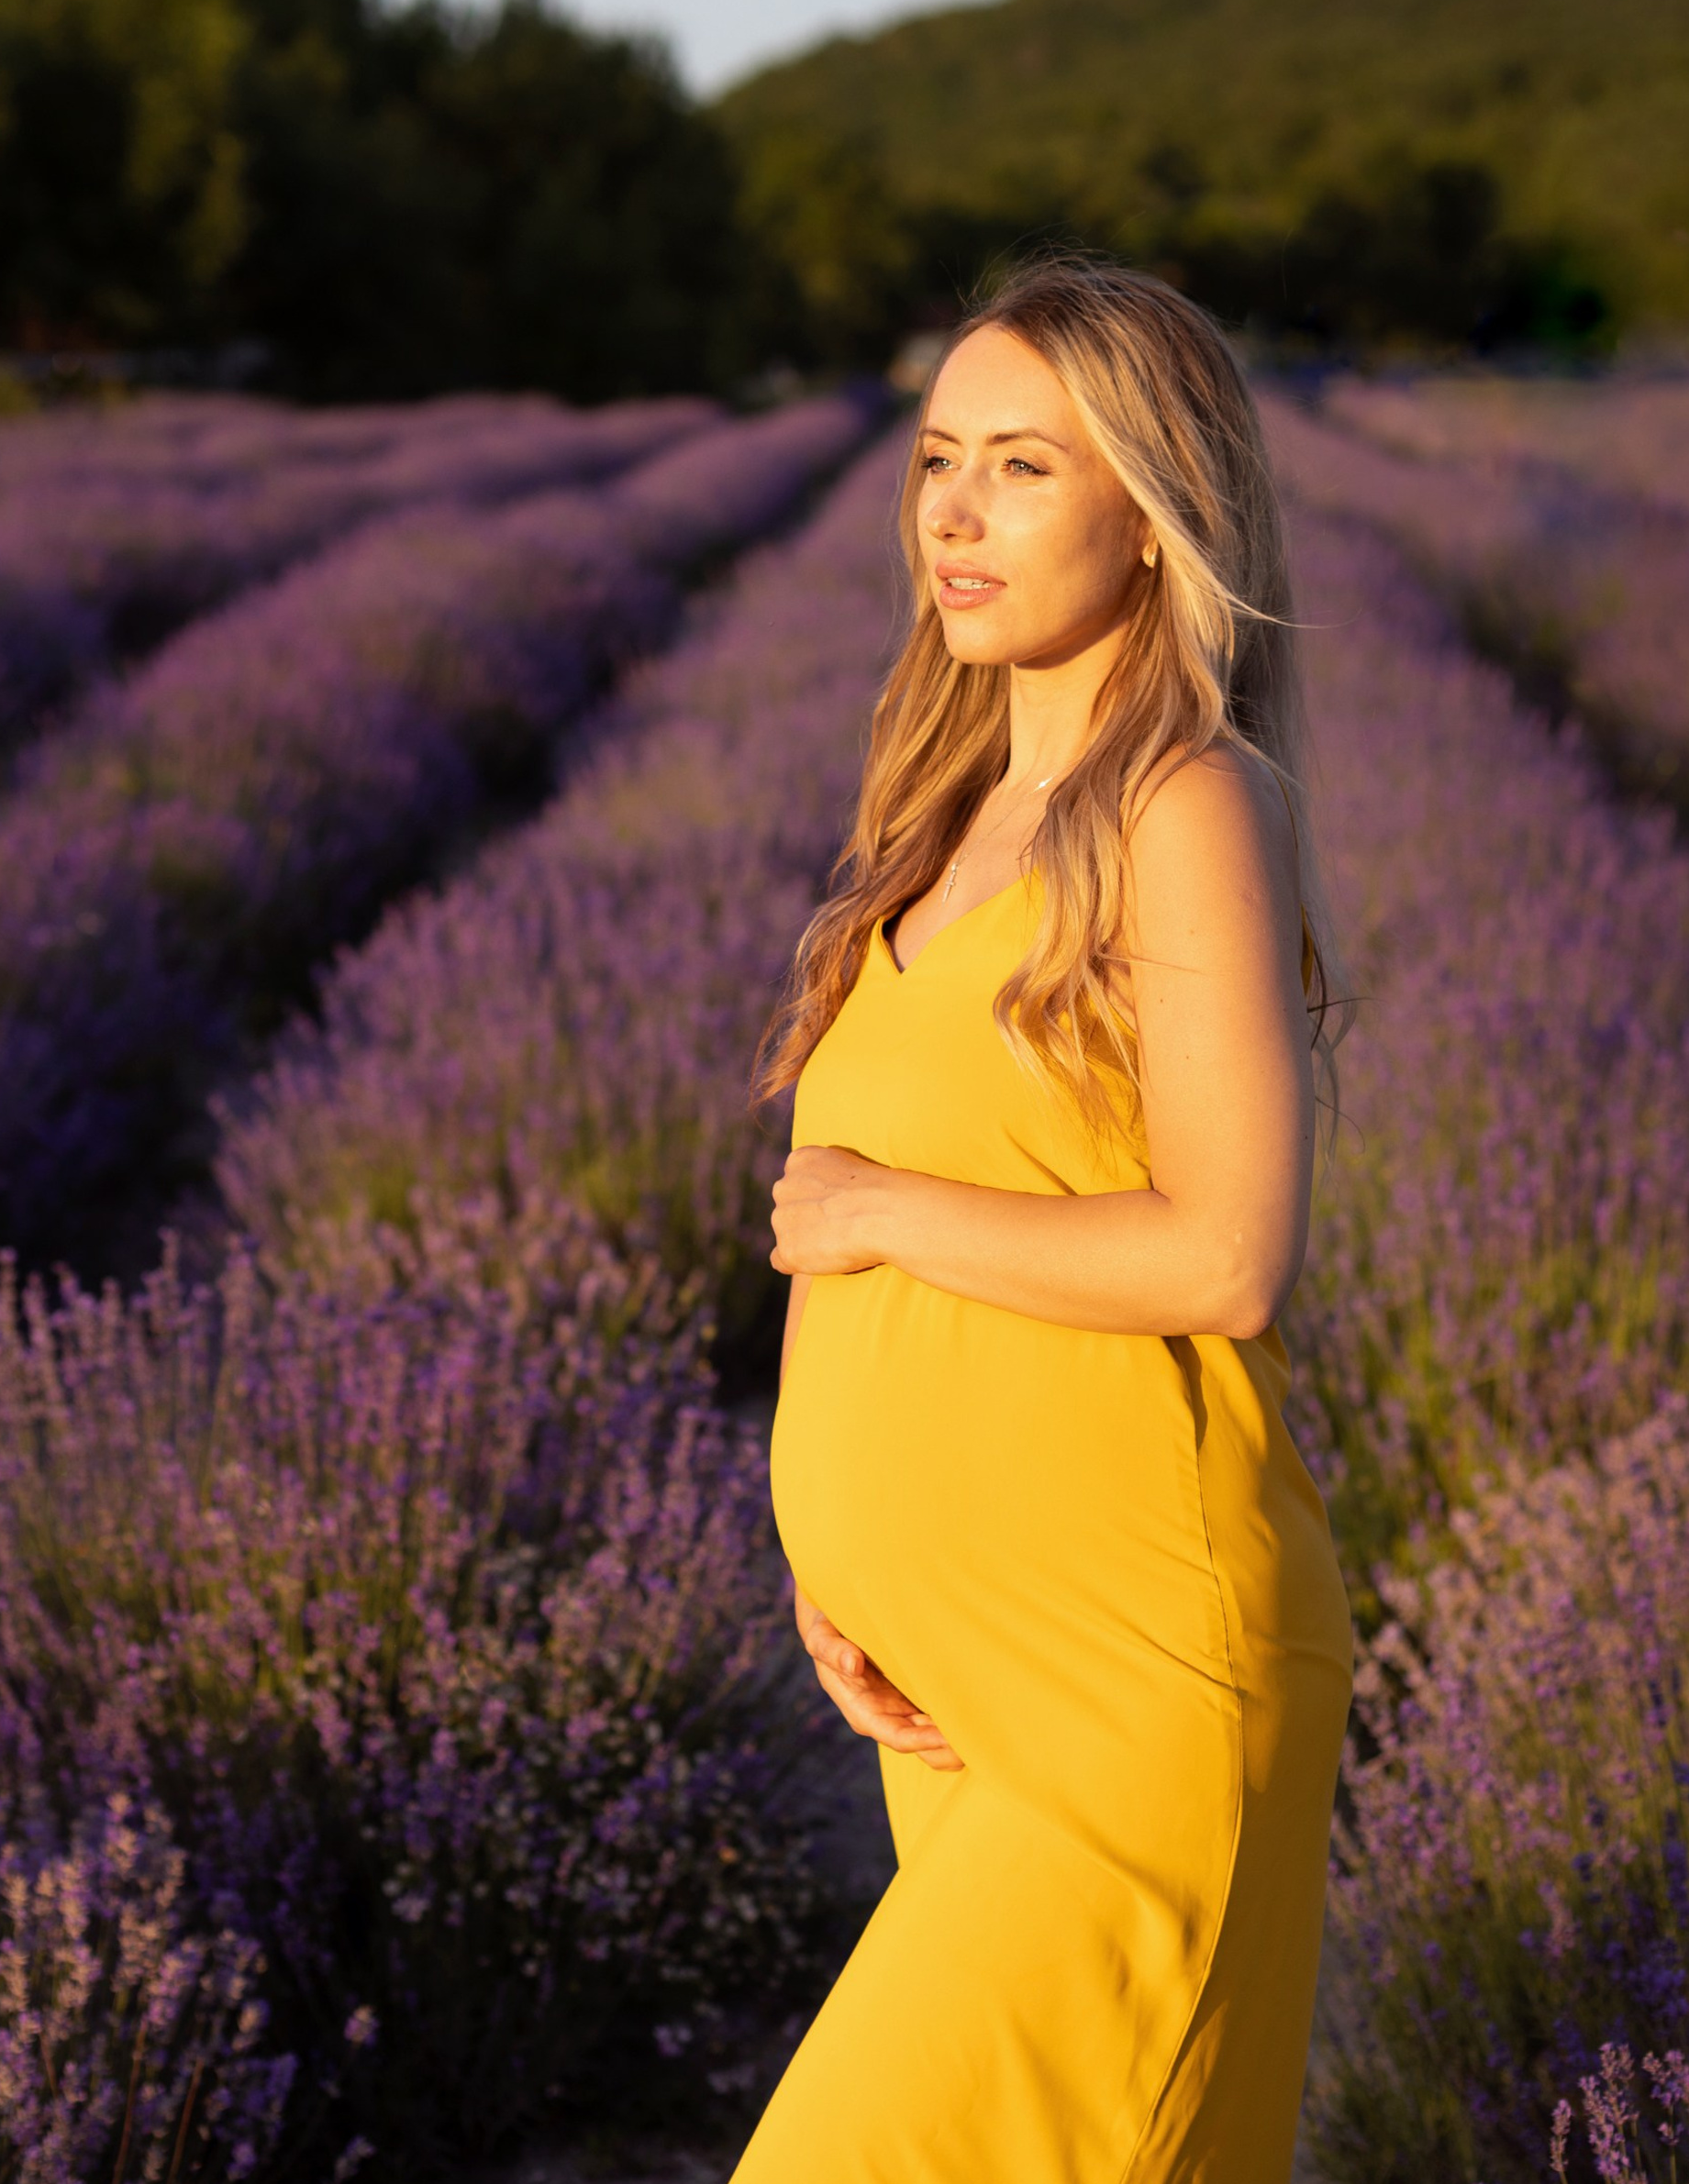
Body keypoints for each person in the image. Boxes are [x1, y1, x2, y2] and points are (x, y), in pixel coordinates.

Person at [736, 257, 1356, 2183]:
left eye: (1020, 465)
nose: (954, 511)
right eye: (936, 460)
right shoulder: (935, 826)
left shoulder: (1179, 799)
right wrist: (829, 1558)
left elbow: (1222, 1249)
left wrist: (879, 1203)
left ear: (1152, 513)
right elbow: (845, 1269)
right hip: (952, 1697)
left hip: (1134, 1688)